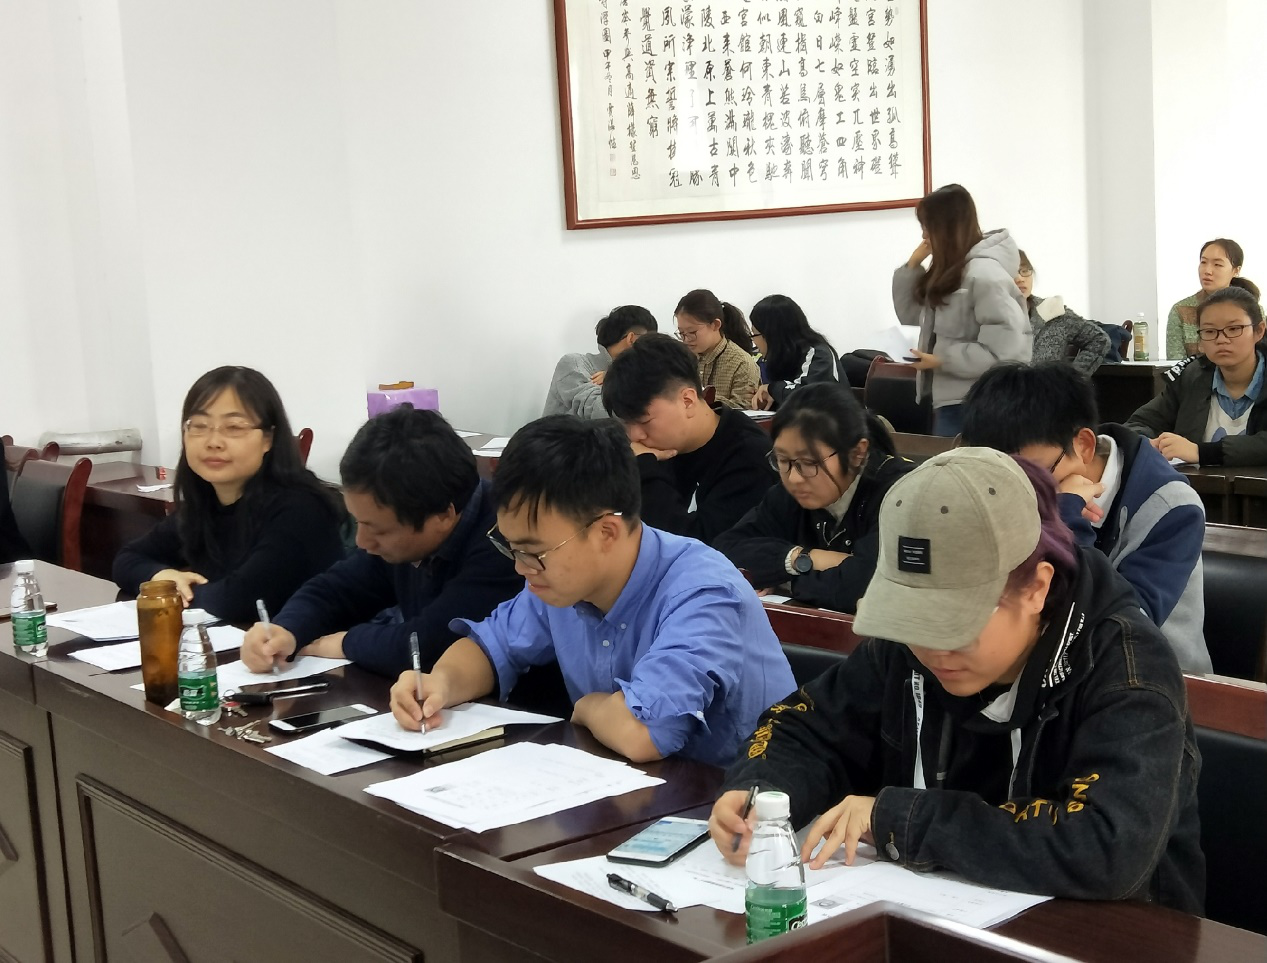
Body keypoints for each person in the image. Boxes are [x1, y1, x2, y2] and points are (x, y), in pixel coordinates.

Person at [708, 448, 1203, 913]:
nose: (933, 649)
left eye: (956, 622)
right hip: (935, 915)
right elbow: (805, 727)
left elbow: (1108, 846)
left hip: (1111, 933)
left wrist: (901, 819)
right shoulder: (909, 646)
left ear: (1037, 588)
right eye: (916, 618)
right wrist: (762, 793)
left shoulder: (1127, 667)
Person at [387, 415, 796, 767]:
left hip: (738, 807)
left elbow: (643, 735)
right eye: (510, 547)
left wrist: (586, 707)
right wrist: (439, 684)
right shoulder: (561, 583)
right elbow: (490, 646)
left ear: (605, 532)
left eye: (533, 552)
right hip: (629, 789)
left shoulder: (702, 592)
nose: (520, 567)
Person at [961, 361, 1211, 673]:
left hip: (1152, 677)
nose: (1017, 491)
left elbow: (1118, 628)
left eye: (1031, 474)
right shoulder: (1006, 488)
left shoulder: (1171, 506)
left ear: (1083, 445)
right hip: (1041, 668)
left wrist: (1065, 521)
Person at [239, 406, 522, 677]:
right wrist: (286, 630)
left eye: (378, 530)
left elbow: (430, 645)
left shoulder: (505, 543)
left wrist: (346, 643)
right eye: (359, 523)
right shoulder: (398, 518)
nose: (362, 541)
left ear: (443, 516)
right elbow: (335, 589)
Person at [112, 366, 343, 624]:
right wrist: (163, 577)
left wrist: (168, 593)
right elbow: (127, 560)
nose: (213, 441)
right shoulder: (205, 503)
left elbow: (237, 601)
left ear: (269, 438)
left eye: (233, 427)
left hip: (313, 647)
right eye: (199, 426)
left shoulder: (300, 508)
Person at [714, 383, 912, 613]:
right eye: (782, 460)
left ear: (857, 453)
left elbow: (866, 586)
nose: (794, 478)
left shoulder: (901, 495)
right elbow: (725, 551)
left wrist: (782, 579)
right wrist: (802, 558)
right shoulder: (791, 492)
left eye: (809, 463)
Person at [601, 333, 775, 546]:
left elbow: (701, 548)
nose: (635, 436)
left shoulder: (749, 458)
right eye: (627, 423)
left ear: (687, 401)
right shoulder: (657, 445)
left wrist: (645, 471)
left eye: (644, 421)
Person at [891, 184, 1031, 437]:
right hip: (951, 401)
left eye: (928, 227)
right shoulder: (952, 273)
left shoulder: (984, 275)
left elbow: (1006, 353)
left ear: (946, 228)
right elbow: (912, 316)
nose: (924, 235)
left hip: (983, 405)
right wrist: (912, 266)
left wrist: (942, 359)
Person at [1128, 286, 1267, 467]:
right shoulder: (1191, 377)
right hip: (1196, 484)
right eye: (1209, 331)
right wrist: (1150, 443)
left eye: (1234, 329)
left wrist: (1200, 452)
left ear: (1259, 331)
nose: (1221, 339)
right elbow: (1138, 424)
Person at [541, 305, 657, 419]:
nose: (652, 349)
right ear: (631, 339)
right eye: (650, 340)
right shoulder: (574, 363)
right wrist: (619, 378)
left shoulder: (634, 374)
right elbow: (602, 413)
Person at [1016, 250, 1110, 375]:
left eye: (1025, 271)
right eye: (1011, 273)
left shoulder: (1052, 310)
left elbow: (1099, 340)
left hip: (1047, 387)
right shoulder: (991, 316)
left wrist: (1071, 380)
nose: (1020, 279)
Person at [1165, 238, 1255, 360]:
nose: (1207, 271)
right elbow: (1176, 364)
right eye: (1203, 262)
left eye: (1217, 264)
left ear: (1236, 271)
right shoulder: (1180, 310)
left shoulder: (1250, 308)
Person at [748, 294, 841, 411]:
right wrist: (766, 400)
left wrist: (772, 389)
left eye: (754, 334)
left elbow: (807, 398)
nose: (754, 341)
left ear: (772, 335)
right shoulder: (782, 357)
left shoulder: (818, 353)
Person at [674, 288, 761, 409]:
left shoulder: (741, 363)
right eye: (681, 333)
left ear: (715, 325)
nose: (686, 339)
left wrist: (704, 398)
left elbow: (744, 410)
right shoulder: (682, 359)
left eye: (692, 332)